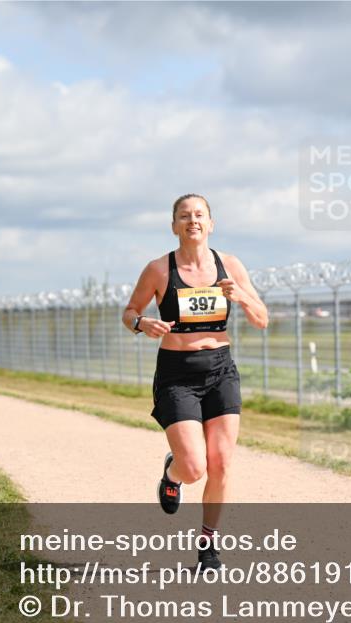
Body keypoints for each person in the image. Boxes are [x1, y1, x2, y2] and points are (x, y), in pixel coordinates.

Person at [123, 194, 268, 571]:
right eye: (184, 216)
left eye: (199, 215)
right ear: (174, 226)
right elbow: (130, 311)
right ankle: (173, 473)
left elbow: (262, 318)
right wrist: (143, 323)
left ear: (211, 223)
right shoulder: (158, 269)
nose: (193, 221)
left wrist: (242, 297)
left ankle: (208, 547)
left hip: (221, 370)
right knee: (194, 467)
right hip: (177, 374)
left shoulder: (230, 266)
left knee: (220, 463)